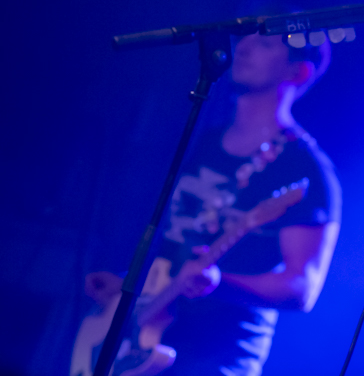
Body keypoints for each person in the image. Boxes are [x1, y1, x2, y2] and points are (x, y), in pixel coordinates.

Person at [84, 30, 341, 376]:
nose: (244, 47)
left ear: (299, 72)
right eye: (245, 38)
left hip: (216, 358)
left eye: (264, 43)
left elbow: (301, 289)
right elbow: (174, 247)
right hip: (143, 340)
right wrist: (126, 285)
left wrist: (221, 283)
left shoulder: (305, 170)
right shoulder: (202, 139)